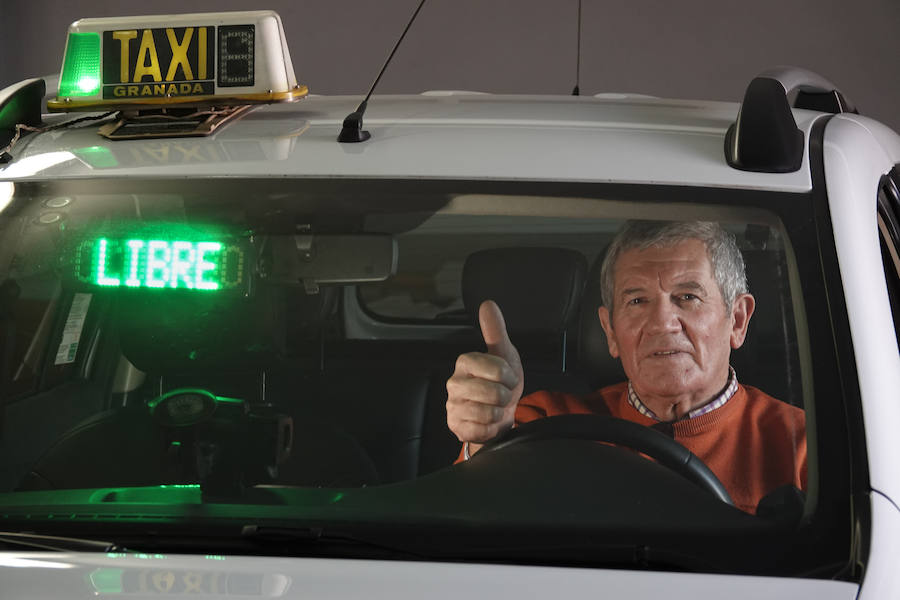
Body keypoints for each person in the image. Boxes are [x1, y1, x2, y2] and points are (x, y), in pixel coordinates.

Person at [445, 220, 806, 514]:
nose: (662, 322)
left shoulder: (803, 447)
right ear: (611, 332)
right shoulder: (543, 425)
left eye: (687, 297)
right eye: (637, 300)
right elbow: (466, 528)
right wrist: (481, 439)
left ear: (738, 321)